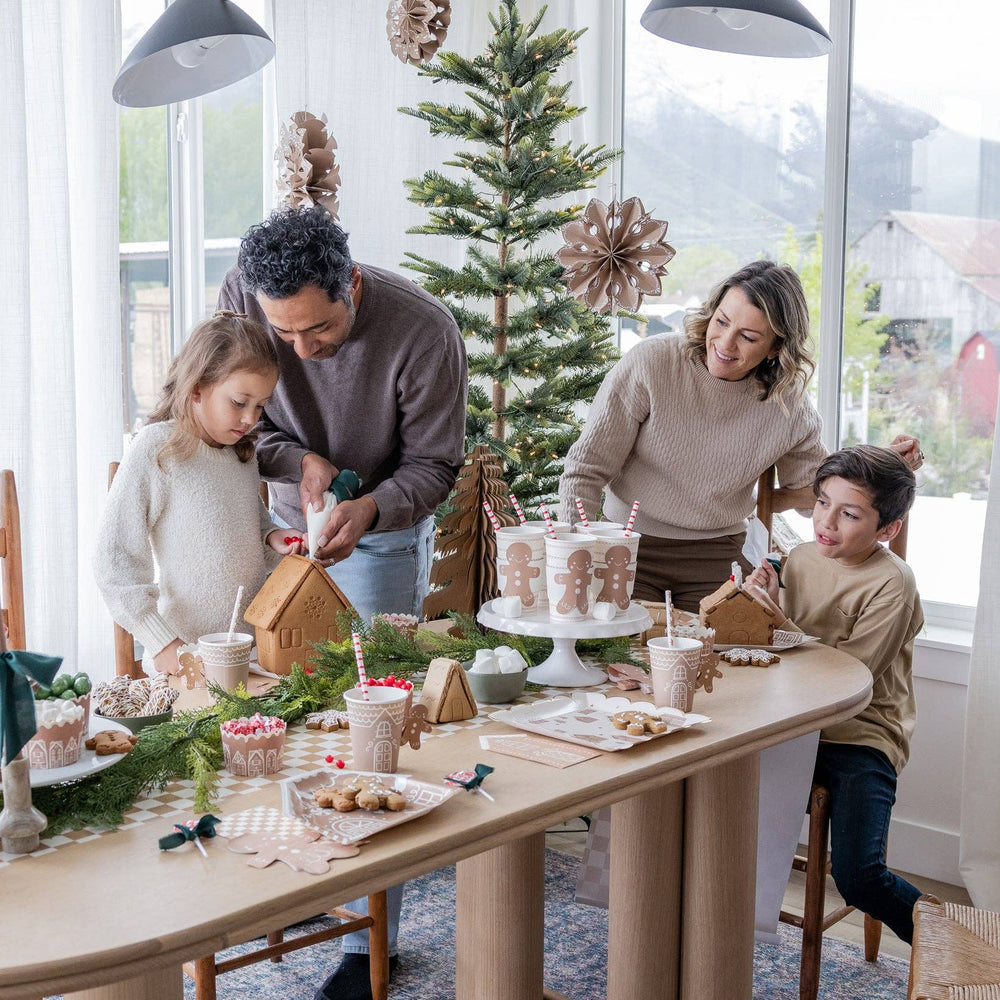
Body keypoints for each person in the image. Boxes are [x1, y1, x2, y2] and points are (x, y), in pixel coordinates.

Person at [217, 206, 468, 1000]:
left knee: (369, 721)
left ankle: (371, 941)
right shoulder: (242, 294)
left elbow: (435, 464)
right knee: (281, 711)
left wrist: (372, 510)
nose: (299, 350)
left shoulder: (424, 331)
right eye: (281, 335)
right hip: (273, 524)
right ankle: (296, 881)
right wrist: (297, 461)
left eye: (317, 330)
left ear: (352, 284)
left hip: (381, 528)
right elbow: (225, 408)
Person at [558, 259, 923, 611]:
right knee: (628, 655)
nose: (725, 344)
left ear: (776, 347)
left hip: (719, 554)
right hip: (627, 544)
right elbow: (585, 471)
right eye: (722, 322)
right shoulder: (654, 363)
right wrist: (581, 555)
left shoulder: (787, 403)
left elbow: (814, 495)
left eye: (748, 337)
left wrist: (881, 464)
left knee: (728, 661)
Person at [746, 445, 923, 942]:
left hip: (860, 736)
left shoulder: (893, 584)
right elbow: (773, 654)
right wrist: (762, 602)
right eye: (822, 502)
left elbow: (851, 682)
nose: (826, 521)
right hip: (791, 726)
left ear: (888, 529)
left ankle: (958, 943)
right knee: (705, 808)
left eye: (849, 513)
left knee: (859, 876)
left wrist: (780, 623)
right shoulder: (800, 559)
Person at [94, 312, 304, 674]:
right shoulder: (156, 450)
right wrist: (161, 641)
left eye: (261, 405)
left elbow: (247, 531)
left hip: (250, 655)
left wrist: (273, 539)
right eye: (239, 402)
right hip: (185, 658)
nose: (250, 419)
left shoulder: (240, 456)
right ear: (197, 389)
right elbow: (114, 560)